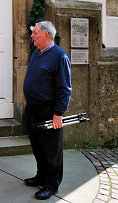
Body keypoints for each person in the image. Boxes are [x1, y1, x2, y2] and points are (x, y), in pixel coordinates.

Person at [23, 21, 71, 200]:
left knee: (52, 151)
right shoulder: (37, 52)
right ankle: (41, 176)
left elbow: (64, 88)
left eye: (35, 33)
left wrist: (58, 113)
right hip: (33, 109)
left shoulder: (59, 56)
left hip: (49, 111)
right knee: (38, 147)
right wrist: (28, 99)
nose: (32, 36)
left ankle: (52, 184)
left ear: (45, 35)